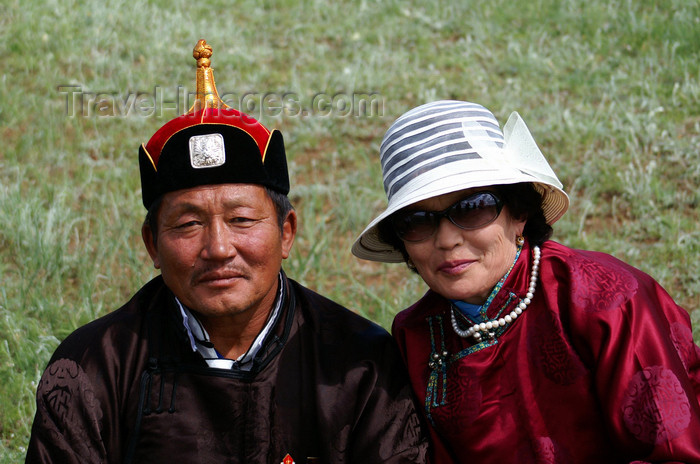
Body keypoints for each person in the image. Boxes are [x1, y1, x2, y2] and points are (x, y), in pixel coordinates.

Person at [26, 40, 427, 464]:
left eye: (241, 220)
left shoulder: (359, 363)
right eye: (187, 225)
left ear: (286, 232)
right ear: (152, 245)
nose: (218, 249)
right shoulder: (92, 368)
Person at [352, 100, 700, 463]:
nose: (446, 240)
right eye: (418, 221)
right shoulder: (415, 333)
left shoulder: (606, 298)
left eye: (473, 208)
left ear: (519, 214)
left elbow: (675, 452)